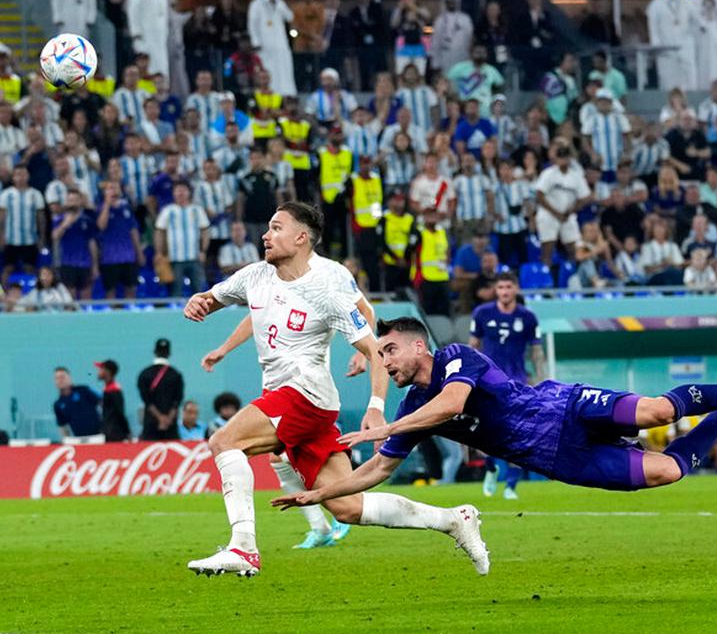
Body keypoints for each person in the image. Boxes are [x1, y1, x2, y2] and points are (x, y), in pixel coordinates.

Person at [182, 202, 488, 577]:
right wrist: (199, 303)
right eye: (267, 227)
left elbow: (374, 347)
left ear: (301, 237)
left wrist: (375, 405)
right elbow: (213, 300)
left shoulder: (327, 287)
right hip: (299, 401)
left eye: (276, 228)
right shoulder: (254, 276)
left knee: (224, 441)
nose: (266, 235)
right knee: (348, 506)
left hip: (304, 394)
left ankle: (243, 548)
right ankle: (453, 520)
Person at [273, 317, 717, 510]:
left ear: (418, 346)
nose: (382, 361)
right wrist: (319, 495)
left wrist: (385, 426)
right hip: (560, 459)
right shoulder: (414, 406)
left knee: (654, 411)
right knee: (668, 471)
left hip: (567, 408)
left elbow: (454, 404)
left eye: (387, 350)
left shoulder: (457, 356)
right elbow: (379, 470)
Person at [470, 272, 544, 500]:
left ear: (516, 289)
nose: (504, 291)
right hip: (487, 381)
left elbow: (536, 352)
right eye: (500, 287)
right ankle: (491, 467)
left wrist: (541, 380)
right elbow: (473, 346)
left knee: (517, 434)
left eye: (508, 287)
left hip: (516, 383)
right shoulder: (482, 314)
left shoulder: (528, 317)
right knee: (482, 434)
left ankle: (511, 486)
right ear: (496, 289)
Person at [248, 0, 296, 97]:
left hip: (280, 45)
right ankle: (270, 94)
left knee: (284, 70)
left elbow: (290, 17)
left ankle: (287, 94)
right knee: (268, 70)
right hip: (265, 46)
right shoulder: (255, 5)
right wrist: (255, 42)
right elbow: (252, 24)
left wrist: (277, 3)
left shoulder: (279, 3)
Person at [646, 0, 695, 92]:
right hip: (666, 49)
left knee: (687, 78)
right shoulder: (655, 5)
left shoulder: (685, 3)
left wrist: (690, 41)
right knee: (668, 79)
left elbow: (693, 23)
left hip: (685, 47)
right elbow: (653, 29)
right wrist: (658, 47)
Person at [136, 338, 185, 442]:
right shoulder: (176, 375)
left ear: (155, 352)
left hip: (151, 425)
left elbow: (146, 400)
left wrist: (160, 418)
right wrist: (167, 420)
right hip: (170, 426)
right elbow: (177, 400)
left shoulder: (144, 374)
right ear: (169, 353)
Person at [126, 0, 169, 78]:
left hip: (161, 42)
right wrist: (137, 38)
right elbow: (133, 15)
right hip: (145, 41)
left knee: (162, 72)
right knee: (145, 72)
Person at [430, 0, 473, 75]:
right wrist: (435, 61)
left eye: (453, 1)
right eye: (449, 2)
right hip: (445, 55)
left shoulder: (465, 19)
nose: (451, 4)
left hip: (461, 54)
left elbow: (470, 37)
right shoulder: (439, 20)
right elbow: (435, 41)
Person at [53, 366, 101, 438]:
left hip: (99, 436)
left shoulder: (84, 390)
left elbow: (103, 403)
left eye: (62, 377)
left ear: (69, 378)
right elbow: (63, 426)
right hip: (79, 440)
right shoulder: (58, 404)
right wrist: (66, 441)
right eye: (57, 378)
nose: (60, 380)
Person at [94, 359, 131, 442]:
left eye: (101, 369)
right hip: (108, 432)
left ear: (107, 372)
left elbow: (120, 412)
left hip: (114, 434)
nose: (98, 372)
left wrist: (127, 432)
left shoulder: (114, 390)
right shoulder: (108, 389)